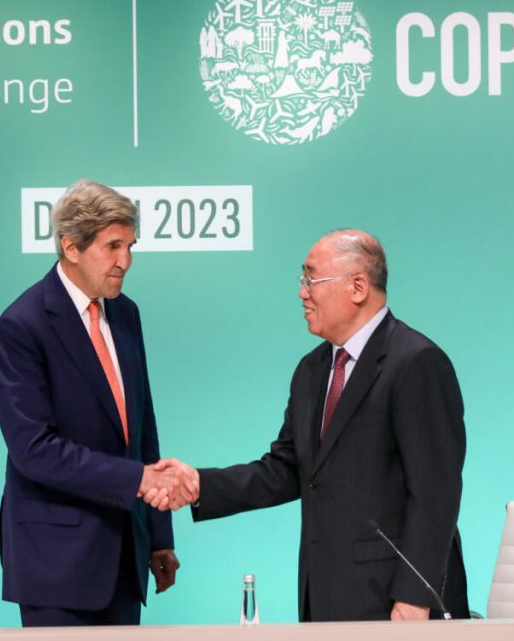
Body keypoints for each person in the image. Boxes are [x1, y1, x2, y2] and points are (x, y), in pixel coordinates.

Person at [155, 229, 469, 622]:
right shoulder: (312, 370)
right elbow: (287, 469)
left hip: (398, 602)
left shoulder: (416, 362)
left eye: (311, 279)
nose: (302, 293)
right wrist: (200, 484)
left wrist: (414, 596)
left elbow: (436, 493)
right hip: (326, 593)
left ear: (357, 287)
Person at [0, 179, 194, 627]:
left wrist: (158, 534)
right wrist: (138, 480)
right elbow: (35, 450)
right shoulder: (21, 326)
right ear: (71, 246)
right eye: (112, 246)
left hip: (124, 555)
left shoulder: (126, 313)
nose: (126, 261)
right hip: (56, 565)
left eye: (130, 245)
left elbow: (142, 427)